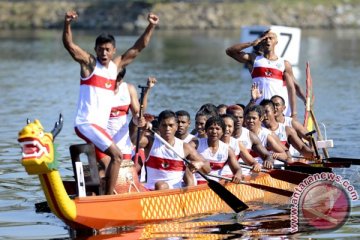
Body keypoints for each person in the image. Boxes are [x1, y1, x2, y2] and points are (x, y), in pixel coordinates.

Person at [62, 10, 159, 195]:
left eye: (107, 49)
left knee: (110, 161)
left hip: (99, 128)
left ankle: (98, 192)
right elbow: (69, 45)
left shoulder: (116, 66)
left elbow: (139, 47)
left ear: (113, 50)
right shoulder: (89, 64)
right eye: (100, 49)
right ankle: (108, 198)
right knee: (117, 156)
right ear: (95, 49)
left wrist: (151, 26)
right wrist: (67, 23)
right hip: (86, 123)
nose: (104, 53)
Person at [97, 70, 157, 189]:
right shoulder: (98, 89)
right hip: (101, 140)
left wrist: (139, 120)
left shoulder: (128, 89)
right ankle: (104, 197)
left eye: (119, 79)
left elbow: (137, 113)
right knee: (105, 171)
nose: (116, 83)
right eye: (114, 79)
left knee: (123, 177)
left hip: (122, 142)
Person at [130, 110, 211, 190]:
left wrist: (199, 164)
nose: (167, 129)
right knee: (160, 185)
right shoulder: (150, 142)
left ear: (176, 126)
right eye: (164, 125)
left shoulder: (184, 147)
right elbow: (134, 141)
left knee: (161, 185)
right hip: (151, 191)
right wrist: (142, 129)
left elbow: (207, 169)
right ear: (159, 126)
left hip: (173, 193)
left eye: (171, 125)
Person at [226, 29, 298, 118]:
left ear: (276, 42)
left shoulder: (284, 64)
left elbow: (292, 89)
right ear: (261, 42)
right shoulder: (254, 59)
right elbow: (230, 51)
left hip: (277, 110)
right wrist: (251, 43)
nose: (267, 40)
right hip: (258, 110)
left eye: (271, 38)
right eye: (265, 38)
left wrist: (294, 113)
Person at [190, 116, 242, 184]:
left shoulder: (228, 150)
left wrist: (238, 175)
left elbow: (238, 169)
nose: (214, 132)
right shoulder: (195, 144)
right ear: (206, 130)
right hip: (196, 184)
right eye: (211, 128)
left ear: (223, 131)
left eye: (217, 129)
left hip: (216, 185)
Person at [226, 104, 275, 169]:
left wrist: (268, 161)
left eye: (241, 117)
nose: (238, 120)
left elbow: (267, 156)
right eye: (235, 117)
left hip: (246, 173)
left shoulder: (250, 136)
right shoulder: (219, 135)